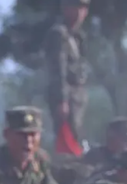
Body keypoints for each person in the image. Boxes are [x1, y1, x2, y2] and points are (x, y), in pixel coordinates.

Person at [46, 0, 91, 144]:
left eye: (82, 8)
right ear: (65, 8)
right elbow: (59, 68)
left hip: (78, 95)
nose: (78, 13)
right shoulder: (59, 34)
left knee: (77, 137)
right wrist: (62, 99)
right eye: (75, 7)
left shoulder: (78, 37)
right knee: (68, 139)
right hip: (67, 95)